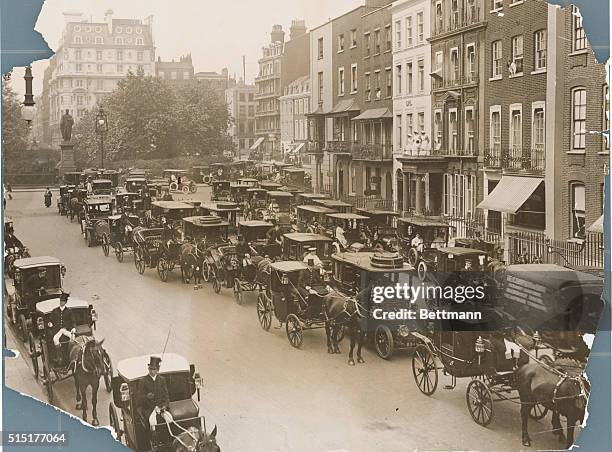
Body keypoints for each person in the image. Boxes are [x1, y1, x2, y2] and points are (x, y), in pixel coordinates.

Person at [137, 356, 173, 432]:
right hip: (149, 408)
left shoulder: (162, 380)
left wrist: (165, 406)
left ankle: (169, 436)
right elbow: (139, 398)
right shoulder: (143, 381)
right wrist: (147, 397)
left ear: (158, 370)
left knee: (170, 419)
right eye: (150, 369)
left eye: (154, 369)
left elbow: (166, 395)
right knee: (152, 422)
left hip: (161, 408)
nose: (152, 371)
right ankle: (154, 440)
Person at [49, 293, 76, 362]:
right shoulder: (55, 311)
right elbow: (51, 320)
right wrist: (50, 323)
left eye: (63, 301)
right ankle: (59, 356)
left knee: (73, 337)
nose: (62, 302)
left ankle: (70, 354)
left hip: (66, 330)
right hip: (57, 331)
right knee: (55, 339)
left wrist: (73, 328)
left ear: (65, 302)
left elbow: (73, 321)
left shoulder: (69, 311)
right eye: (61, 301)